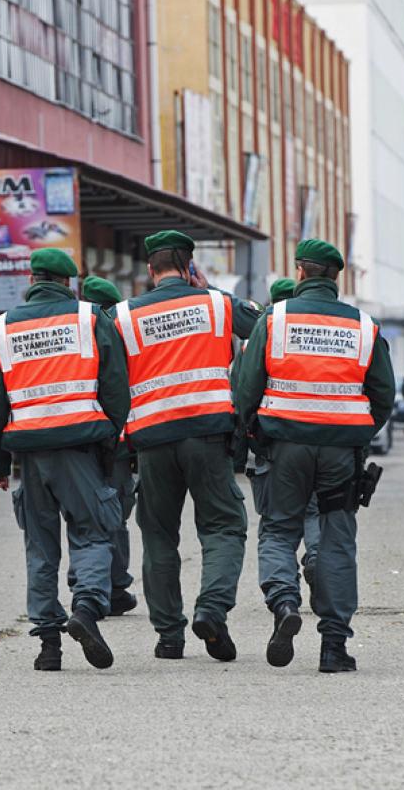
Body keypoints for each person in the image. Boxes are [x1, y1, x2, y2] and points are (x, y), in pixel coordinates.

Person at [237, 239, 395, 673]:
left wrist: (254, 432)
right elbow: (383, 394)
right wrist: (358, 432)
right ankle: (334, 647)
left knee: (279, 529)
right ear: (335, 276)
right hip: (341, 452)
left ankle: (285, 602)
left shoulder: (275, 319)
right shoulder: (364, 326)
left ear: (301, 273)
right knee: (337, 540)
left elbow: (246, 387)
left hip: (284, 447)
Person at [0, 249, 130, 671]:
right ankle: (85, 609)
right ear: (69, 283)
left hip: (29, 454)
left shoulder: (3, 327)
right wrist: (110, 437)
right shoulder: (89, 318)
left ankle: (48, 647)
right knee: (95, 532)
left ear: (32, 278)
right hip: (81, 447)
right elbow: (117, 386)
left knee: (40, 550)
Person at [113, 230, 258, 661]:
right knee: (224, 527)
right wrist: (209, 291)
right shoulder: (216, 304)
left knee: (158, 536)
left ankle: (169, 637)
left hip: (151, 441)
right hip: (208, 437)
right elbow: (267, 327)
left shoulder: (123, 315)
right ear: (190, 266)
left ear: (149, 269)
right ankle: (211, 610)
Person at [234, 277, 320, 603]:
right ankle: (316, 559)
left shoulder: (255, 338)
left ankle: (284, 598)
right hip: (324, 441)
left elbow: (242, 397)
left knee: (276, 526)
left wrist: (239, 454)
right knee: (316, 512)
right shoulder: (321, 334)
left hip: (273, 446)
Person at [64, 274, 137, 617]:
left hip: (80, 437)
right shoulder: (118, 333)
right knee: (113, 515)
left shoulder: (78, 332)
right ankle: (114, 585)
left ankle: (82, 578)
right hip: (117, 441)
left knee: (80, 513)